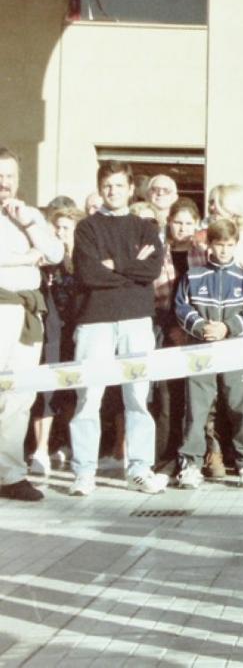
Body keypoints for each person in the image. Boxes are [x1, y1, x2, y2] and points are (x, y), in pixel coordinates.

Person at [66, 160, 167, 496]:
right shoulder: (86, 229)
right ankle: (84, 471)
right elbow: (88, 273)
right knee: (88, 397)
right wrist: (130, 268)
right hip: (94, 321)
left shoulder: (144, 227)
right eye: (107, 185)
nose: (113, 192)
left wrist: (116, 265)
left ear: (129, 188)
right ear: (100, 187)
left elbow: (151, 270)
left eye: (119, 186)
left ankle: (139, 468)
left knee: (138, 396)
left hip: (137, 319)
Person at [172, 218, 243, 489]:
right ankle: (190, 464)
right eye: (218, 244)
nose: (224, 250)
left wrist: (228, 327)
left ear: (236, 245)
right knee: (197, 409)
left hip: (237, 351)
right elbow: (181, 308)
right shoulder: (193, 275)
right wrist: (201, 327)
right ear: (209, 244)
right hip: (201, 350)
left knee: (240, 407)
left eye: (229, 245)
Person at [0, 147, 64, 502]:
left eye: (9, 176)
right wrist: (26, 257)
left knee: (19, 394)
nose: (3, 183)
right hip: (1, 304)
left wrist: (28, 224)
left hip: (28, 311)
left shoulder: (30, 214)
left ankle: (9, 474)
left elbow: (54, 254)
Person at [151, 197, 209, 464]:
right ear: (169, 222)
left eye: (188, 223)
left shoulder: (202, 254)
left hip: (194, 329)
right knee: (164, 395)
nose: (183, 228)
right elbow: (154, 295)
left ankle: (191, 454)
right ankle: (164, 456)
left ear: (196, 224)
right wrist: (171, 327)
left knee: (193, 394)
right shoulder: (158, 252)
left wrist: (189, 328)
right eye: (178, 222)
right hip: (163, 328)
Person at [29, 205, 85, 478]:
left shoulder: (84, 260)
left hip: (76, 330)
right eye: (57, 227)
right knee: (47, 387)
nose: (61, 233)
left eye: (66, 228)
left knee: (74, 389)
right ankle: (40, 448)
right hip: (51, 330)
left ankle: (68, 444)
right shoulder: (47, 262)